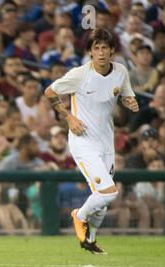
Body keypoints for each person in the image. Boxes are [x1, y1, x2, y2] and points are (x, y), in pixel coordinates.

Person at [45, 29, 139, 254]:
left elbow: (126, 94)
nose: (100, 52)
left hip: (106, 143)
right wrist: (69, 117)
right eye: (96, 48)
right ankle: (79, 216)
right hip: (83, 141)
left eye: (104, 47)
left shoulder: (121, 72)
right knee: (109, 193)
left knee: (102, 200)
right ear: (89, 52)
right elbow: (50, 92)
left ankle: (90, 241)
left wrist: (130, 102)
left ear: (112, 50)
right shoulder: (79, 74)